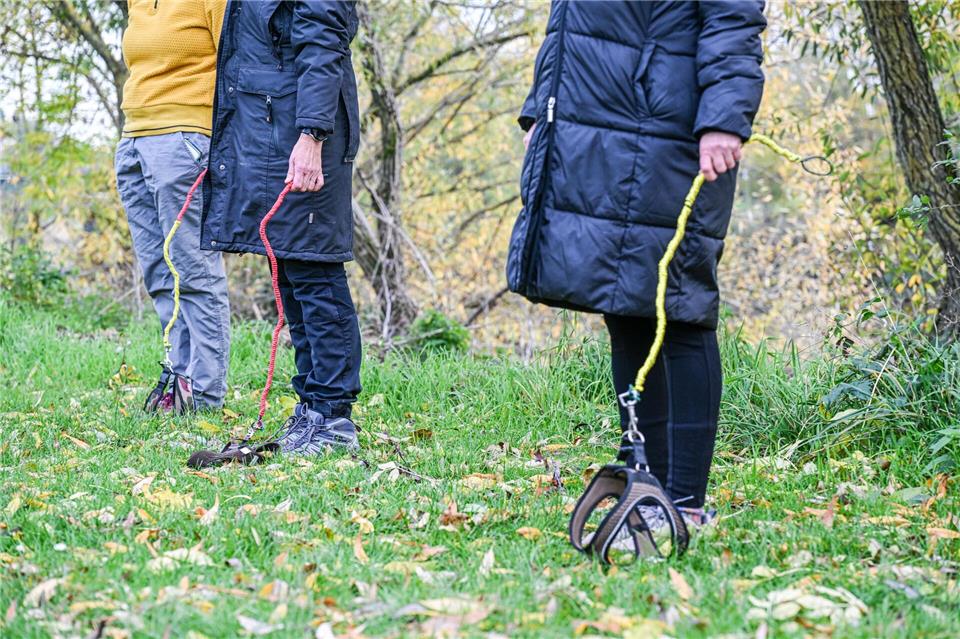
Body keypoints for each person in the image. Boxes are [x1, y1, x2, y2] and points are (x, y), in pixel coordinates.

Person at [509, 1, 766, 526]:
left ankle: (686, 502)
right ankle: (644, 483)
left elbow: (733, 18)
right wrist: (541, 108)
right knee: (623, 305)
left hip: (673, 130)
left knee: (680, 308)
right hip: (598, 127)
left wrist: (725, 118)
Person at [200, 1, 362, 454]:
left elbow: (322, 47)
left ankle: (333, 419)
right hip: (272, 134)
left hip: (304, 137)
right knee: (291, 270)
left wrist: (312, 136)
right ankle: (310, 409)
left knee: (316, 272)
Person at [115, 0, 231, 413]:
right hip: (133, 138)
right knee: (159, 273)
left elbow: (237, 59)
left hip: (184, 138)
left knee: (193, 269)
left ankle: (206, 395)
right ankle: (178, 379)